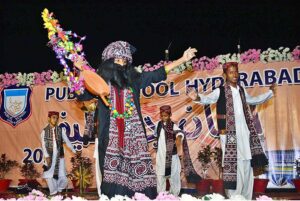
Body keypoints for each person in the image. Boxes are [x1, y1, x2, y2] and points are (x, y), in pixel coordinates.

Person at [76, 41, 197, 198]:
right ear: (108, 63)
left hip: (135, 139)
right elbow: (81, 95)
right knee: (111, 181)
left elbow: (156, 74)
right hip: (110, 138)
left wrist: (182, 59)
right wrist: (80, 72)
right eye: (117, 60)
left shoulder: (134, 79)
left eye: (124, 61)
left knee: (138, 179)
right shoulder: (101, 82)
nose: (121, 64)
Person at [186, 62, 276, 200]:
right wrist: (197, 98)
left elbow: (252, 100)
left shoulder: (241, 90)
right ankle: (234, 197)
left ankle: (245, 196)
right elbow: (207, 98)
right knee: (234, 163)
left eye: (236, 72)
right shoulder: (220, 91)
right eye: (231, 72)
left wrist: (269, 93)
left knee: (246, 163)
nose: (234, 75)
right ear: (225, 75)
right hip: (229, 134)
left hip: (245, 133)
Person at [41, 111, 76, 196]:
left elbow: (67, 141)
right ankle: (53, 193)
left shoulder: (60, 130)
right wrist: (47, 156)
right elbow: (43, 145)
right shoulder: (44, 131)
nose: (55, 119)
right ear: (49, 118)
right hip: (49, 157)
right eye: (53, 117)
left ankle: (59, 191)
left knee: (63, 177)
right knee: (49, 176)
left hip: (60, 157)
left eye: (57, 118)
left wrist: (74, 151)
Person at [155, 105, 184, 196]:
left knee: (174, 177)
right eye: (162, 115)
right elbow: (156, 135)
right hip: (160, 155)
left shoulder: (173, 126)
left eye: (166, 116)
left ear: (170, 115)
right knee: (160, 176)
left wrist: (178, 139)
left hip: (172, 156)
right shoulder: (158, 125)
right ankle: (161, 196)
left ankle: (174, 196)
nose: (164, 117)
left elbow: (179, 133)